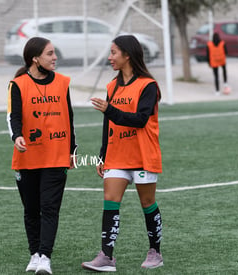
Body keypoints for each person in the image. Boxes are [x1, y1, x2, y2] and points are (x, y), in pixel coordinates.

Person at [81, 35, 163, 272]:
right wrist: (102, 154)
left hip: (142, 155)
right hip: (117, 155)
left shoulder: (148, 85)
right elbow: (109, 124)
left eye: (114, 52)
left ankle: (155, 252)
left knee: (147, 203)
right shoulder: (112, 86)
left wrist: (110, 109)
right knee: (110, 201)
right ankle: (106, 256)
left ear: (127, 55)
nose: (110, 57)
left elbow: (139, 120)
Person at [7, 37, 77, 274]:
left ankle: (45, 257)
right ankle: (34, 254)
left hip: (56, 155)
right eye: (49, 53)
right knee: (31, 209)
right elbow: (12, 116)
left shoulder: (63, 82)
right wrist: (17, 136)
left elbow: (69, 117)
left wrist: (72, 150)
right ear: (35, 58)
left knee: (49, 208)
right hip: (27, 156)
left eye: (54, 52)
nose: (55, 57)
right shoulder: (17, 84)